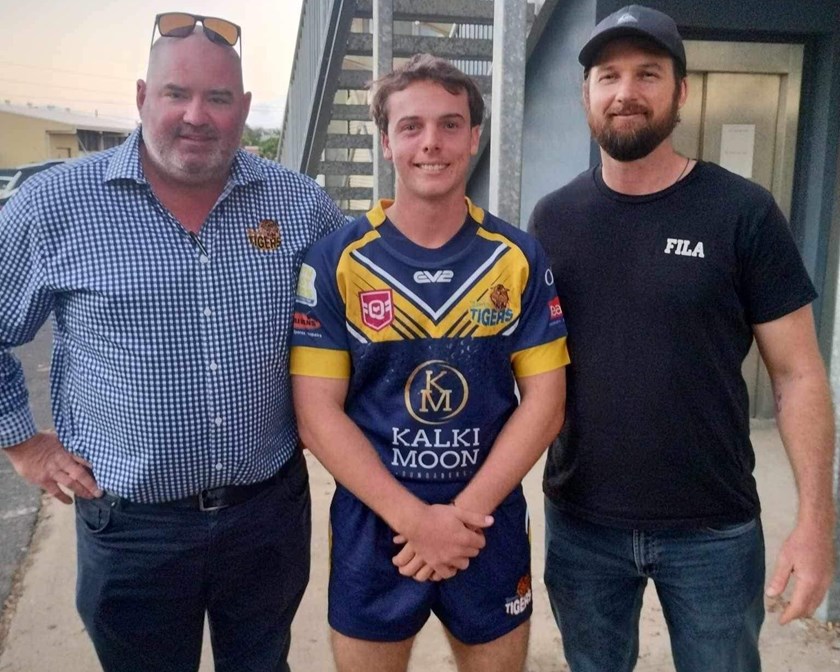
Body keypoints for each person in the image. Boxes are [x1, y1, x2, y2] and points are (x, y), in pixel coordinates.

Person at [0, 13, 345, 672]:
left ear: (243, 109)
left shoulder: (298, 205)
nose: (197, 115)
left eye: (218, 98)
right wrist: (23, 443)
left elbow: (366, 307)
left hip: (266, 515)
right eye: (175, 94)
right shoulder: (54, 207)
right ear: (141, 97)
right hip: (133, 530)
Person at [528, 5, 836, 672]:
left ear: (681, 92)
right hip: (581, 522)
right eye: (608, 76)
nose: (625, 92)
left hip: (714, 529)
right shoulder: (553, 219)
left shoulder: (743, 212)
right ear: (587, 94)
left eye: (648, 74)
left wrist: (816, 522)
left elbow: (799, 375)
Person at [290, 54, 569, 672]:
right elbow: (316, 416)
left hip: (487, 522)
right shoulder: (335, 259)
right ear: (386, 140)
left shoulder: (516, 256)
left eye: (450, 124)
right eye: (411, 126)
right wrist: (415, 520)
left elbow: (546, 404)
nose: (431, 143)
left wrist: (460, 519)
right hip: (375, 525)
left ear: (474, 137)